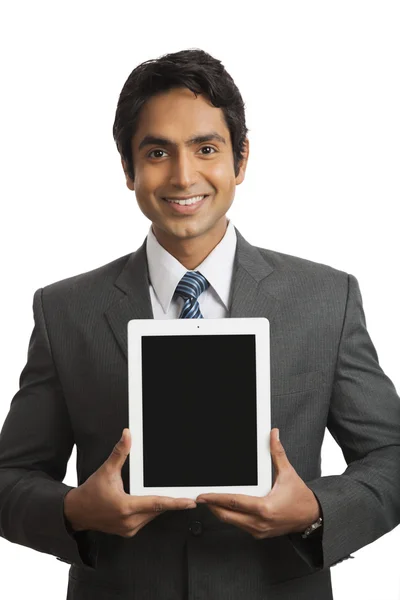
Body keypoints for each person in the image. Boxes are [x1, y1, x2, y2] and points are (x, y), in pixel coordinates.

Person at [0, 48, 399, 600]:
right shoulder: (66, 309)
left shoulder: (326, 299)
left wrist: (318, 510)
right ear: (128, 168)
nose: (183, 175)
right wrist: (73, 510)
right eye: (157, 151)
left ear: (240, 160)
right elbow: (10, 479)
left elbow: (391, 455)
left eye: (206, 148)